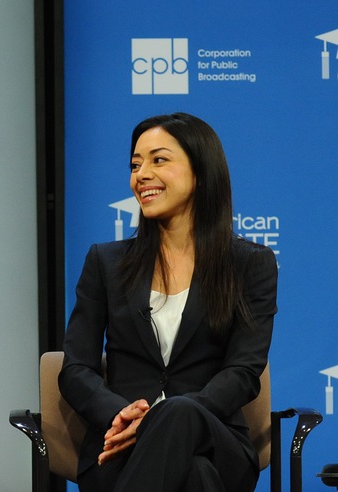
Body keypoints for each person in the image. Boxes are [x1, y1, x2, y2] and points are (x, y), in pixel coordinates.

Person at [59, 113, 277, 492]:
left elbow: (243, 371)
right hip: (121, 445)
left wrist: (164, 417)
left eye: (158, 160)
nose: (141, 174)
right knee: (195, 475)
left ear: (201, 171)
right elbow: (76, 368)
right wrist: (122, 416)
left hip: (217, 440)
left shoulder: (250, 264)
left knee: (180, 416)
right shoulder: (105, 262)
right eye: (135, 164)